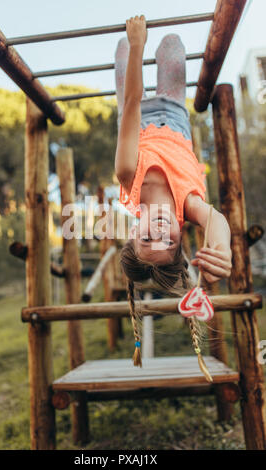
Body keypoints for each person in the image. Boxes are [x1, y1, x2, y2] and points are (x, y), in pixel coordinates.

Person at [114, 16, 232, 364]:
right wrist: (221, 248)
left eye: (146, 240)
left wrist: (137, 45)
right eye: (168, 243)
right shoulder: (188, 204)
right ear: (181, 231)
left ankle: (129, 48)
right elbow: (216, 219)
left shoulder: (127, 176)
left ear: (135, 231)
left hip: (131, 115)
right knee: (172, 44)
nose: (159, 235)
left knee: (122, 49)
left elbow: (132, 104)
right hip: (174, 113)